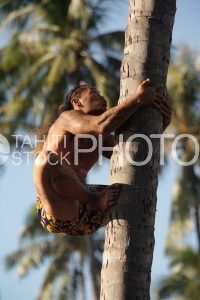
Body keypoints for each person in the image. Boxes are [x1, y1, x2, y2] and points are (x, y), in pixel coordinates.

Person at [33, 79, 172, 236]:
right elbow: (101, 125)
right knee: (45, 160)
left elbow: (136, 154)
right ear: (76, 102)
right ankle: (94, 199)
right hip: (58, 207)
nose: (102, 97)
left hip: (87, 215)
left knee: (134, 191)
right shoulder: (66, 119)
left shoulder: (102, 139)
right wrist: (137, 99)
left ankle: (96, 202)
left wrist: (159, 125)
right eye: (94, 92)